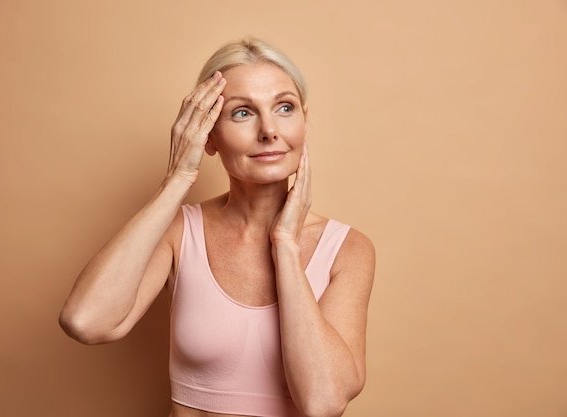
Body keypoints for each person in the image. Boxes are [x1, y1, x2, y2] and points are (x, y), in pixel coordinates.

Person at [59, 37, 376, 417]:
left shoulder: (347, 249)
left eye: (285, 107)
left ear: (305, 121)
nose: (269, 130)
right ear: (207, 135)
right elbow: (85, 321)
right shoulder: (180, 232)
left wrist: (286, 246)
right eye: (243, 113)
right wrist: (177, 178)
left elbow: (323, 402)